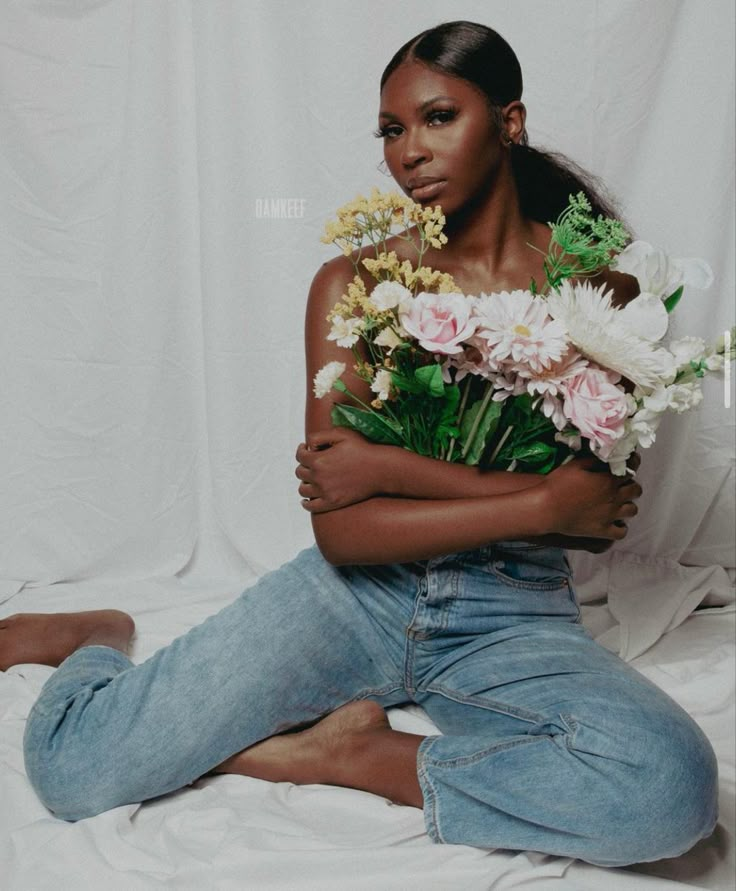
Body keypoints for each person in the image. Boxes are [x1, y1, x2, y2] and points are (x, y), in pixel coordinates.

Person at [0, 20, 717, 867]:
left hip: (512, 613)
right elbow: (346, 529)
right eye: (391, 130)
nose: (410, 150)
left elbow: (589, 518)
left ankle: (354, 754)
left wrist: (389, 469)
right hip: (354, 596)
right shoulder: (355, 286)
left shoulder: (599, 290)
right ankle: (94, 636)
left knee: (671, 790)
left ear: (511, 122)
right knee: (73, 770)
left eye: (438, 117)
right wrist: (535, 499)